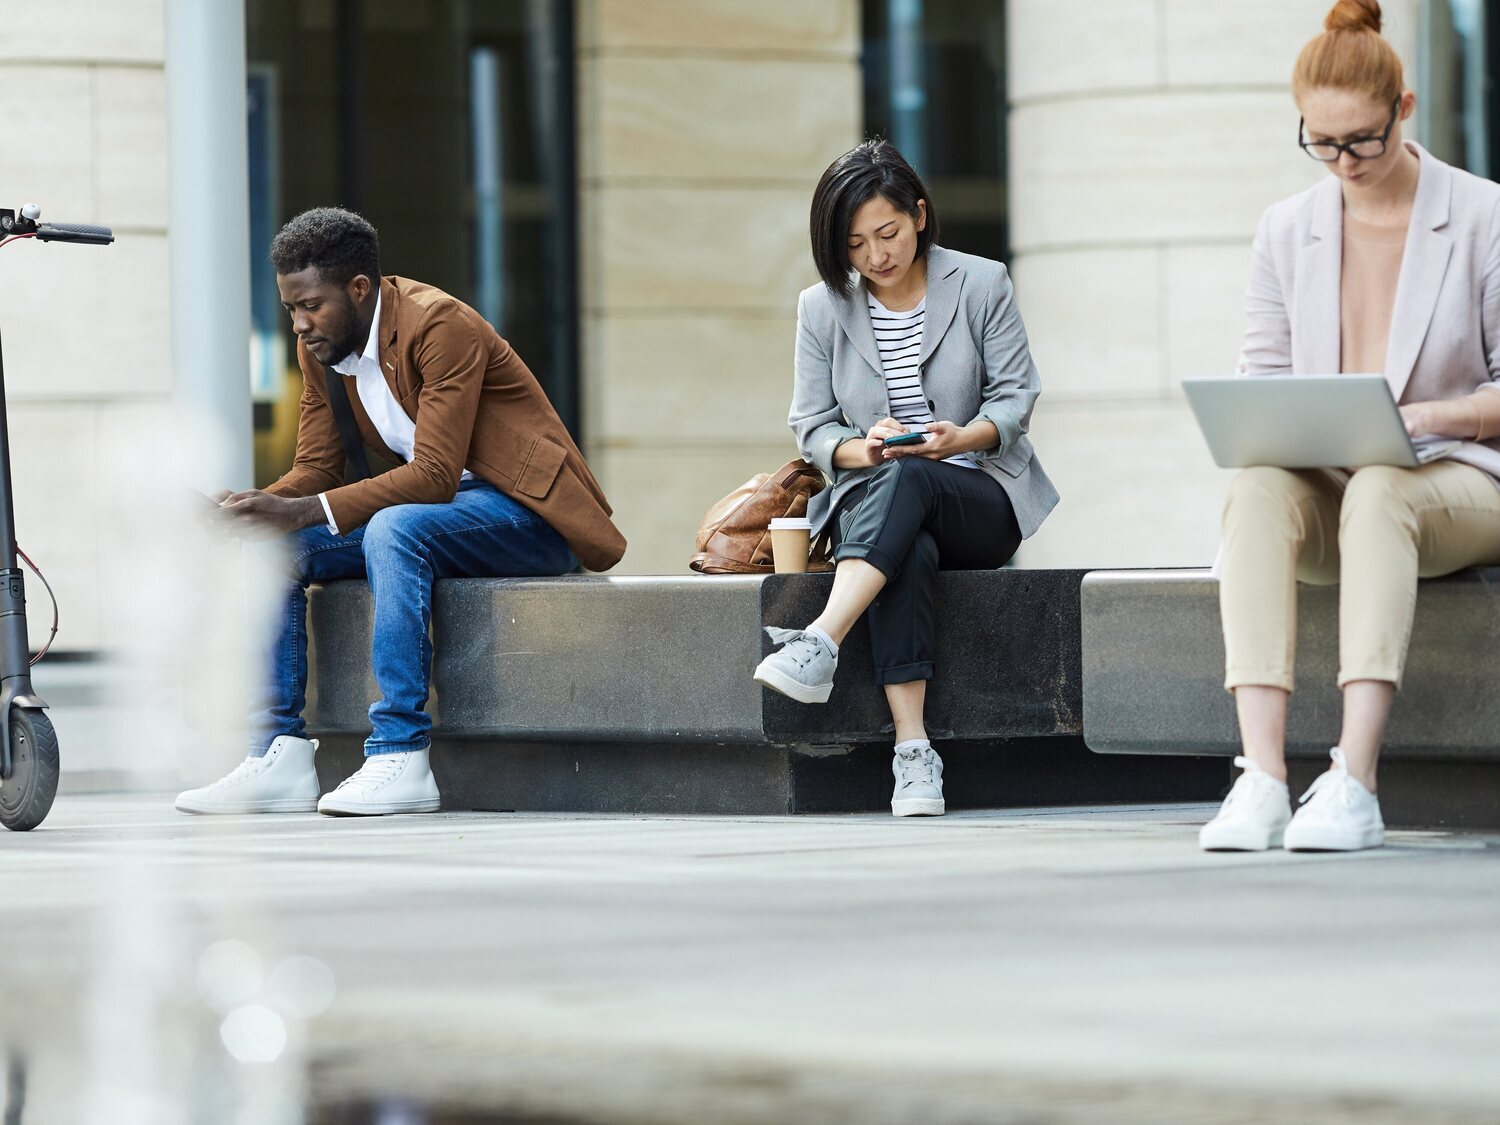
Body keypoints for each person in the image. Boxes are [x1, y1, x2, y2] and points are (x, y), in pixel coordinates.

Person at [177, 207, 625, 817]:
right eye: (290, 310)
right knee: (273, 548)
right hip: (446, 516)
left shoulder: (440, 325)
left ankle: (400, 753)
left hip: (530, 516)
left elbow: (435, 476)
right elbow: (317, 470)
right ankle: (277, 754)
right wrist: (252, 510)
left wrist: (302, 509)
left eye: (311, 305)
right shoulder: (325, 350)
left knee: (394, 526)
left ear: (358, 289)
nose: (301, 324)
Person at [1199, 0, 1500, 852]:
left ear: (1404, 110)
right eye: (1322, 143)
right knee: (1257, 488)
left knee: (1381, 487)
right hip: (1335, 479)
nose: (1344, 161)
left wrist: (1430, 415)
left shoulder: (1483, 216)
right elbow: (1262, 385)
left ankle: (1356, 776)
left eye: (1362, 140)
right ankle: (1260, 777)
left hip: (1460, 480)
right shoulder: (1287, 229)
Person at [753, 140, 1059, 818]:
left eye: (886, 233)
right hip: (877, 502)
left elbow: (1014, 401)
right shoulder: (821, 307)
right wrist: (866, 448)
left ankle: (822, 637)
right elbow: (813, 426)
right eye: (856, 244)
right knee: (907, 541)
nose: (875, 255)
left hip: (979, 494)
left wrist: (961, 435)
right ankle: (914, 753)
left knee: (917, 482)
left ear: (919, 215)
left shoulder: (982, 283)